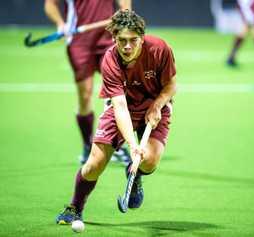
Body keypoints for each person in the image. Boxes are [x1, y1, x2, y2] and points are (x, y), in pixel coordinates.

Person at [55, 9, 177, 224]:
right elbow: (119, 106)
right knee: (94, 165)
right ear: (114, 38)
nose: (127, 46)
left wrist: (157, 106)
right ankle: (75, 207)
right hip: (123, 108)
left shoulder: (159, 49)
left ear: (142, 37)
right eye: (121, 40)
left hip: (155, 104)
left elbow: (170, 86)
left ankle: (136, 174)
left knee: (148, 161)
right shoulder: (110, 60)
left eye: (133, 40)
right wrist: (132, 145)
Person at [44, 0, 132, 165]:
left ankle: (116, 146)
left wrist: (122, 17)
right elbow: (50, 4)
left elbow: (125, 7)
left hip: (108, 39)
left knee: (116, 94)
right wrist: (61, 24)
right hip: (79, 43)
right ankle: (87, 145)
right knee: (85, 96)